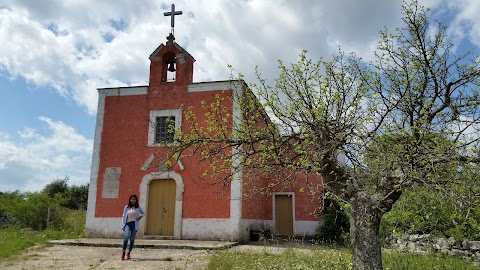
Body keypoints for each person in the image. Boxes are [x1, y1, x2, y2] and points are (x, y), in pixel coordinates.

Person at [121, 194, 145, 260]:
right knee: (126, 237)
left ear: (136, 200)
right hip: (128, 224)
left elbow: (143, 213)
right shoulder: (126, 207)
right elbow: (123, 216)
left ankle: (128, 253)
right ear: (130, 200)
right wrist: (123, 225)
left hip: (135, 224)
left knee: (132, 239)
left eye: (134, 199)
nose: (133, 200)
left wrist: (141, 216)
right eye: (132, 199)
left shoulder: (138, 207)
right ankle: (123, 252)